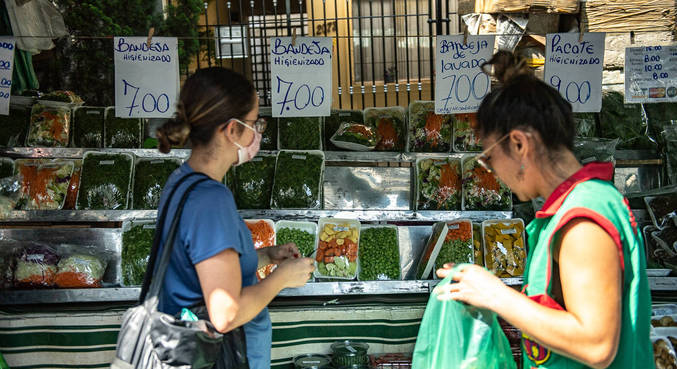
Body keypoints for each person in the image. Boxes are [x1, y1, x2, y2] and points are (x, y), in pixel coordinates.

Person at [435, 51, 654, 369]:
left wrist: (496, 295)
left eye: (489, 159)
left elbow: (597, 345)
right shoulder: (575, 207)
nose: (491, 172)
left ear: (519, 144)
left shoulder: (583, 217)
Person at [154, 67, 315, 369]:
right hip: (219, 357)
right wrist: (282, 279)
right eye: (255, 123)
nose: (257, 133)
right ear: (231, 130)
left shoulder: (181, 181)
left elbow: (203, 268)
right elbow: (225, 314)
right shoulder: (211, 199)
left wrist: (267, 256)